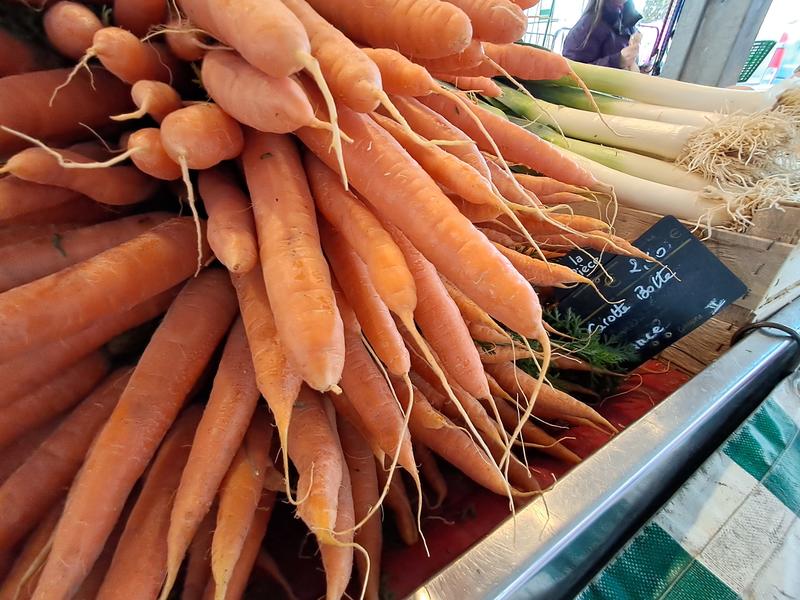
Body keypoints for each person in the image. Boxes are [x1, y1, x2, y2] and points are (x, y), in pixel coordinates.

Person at [562, 0, 643, 71]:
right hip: (594, 87)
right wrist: (618, 60)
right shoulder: (590, 23)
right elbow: (572, 69)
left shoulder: (628, 21)